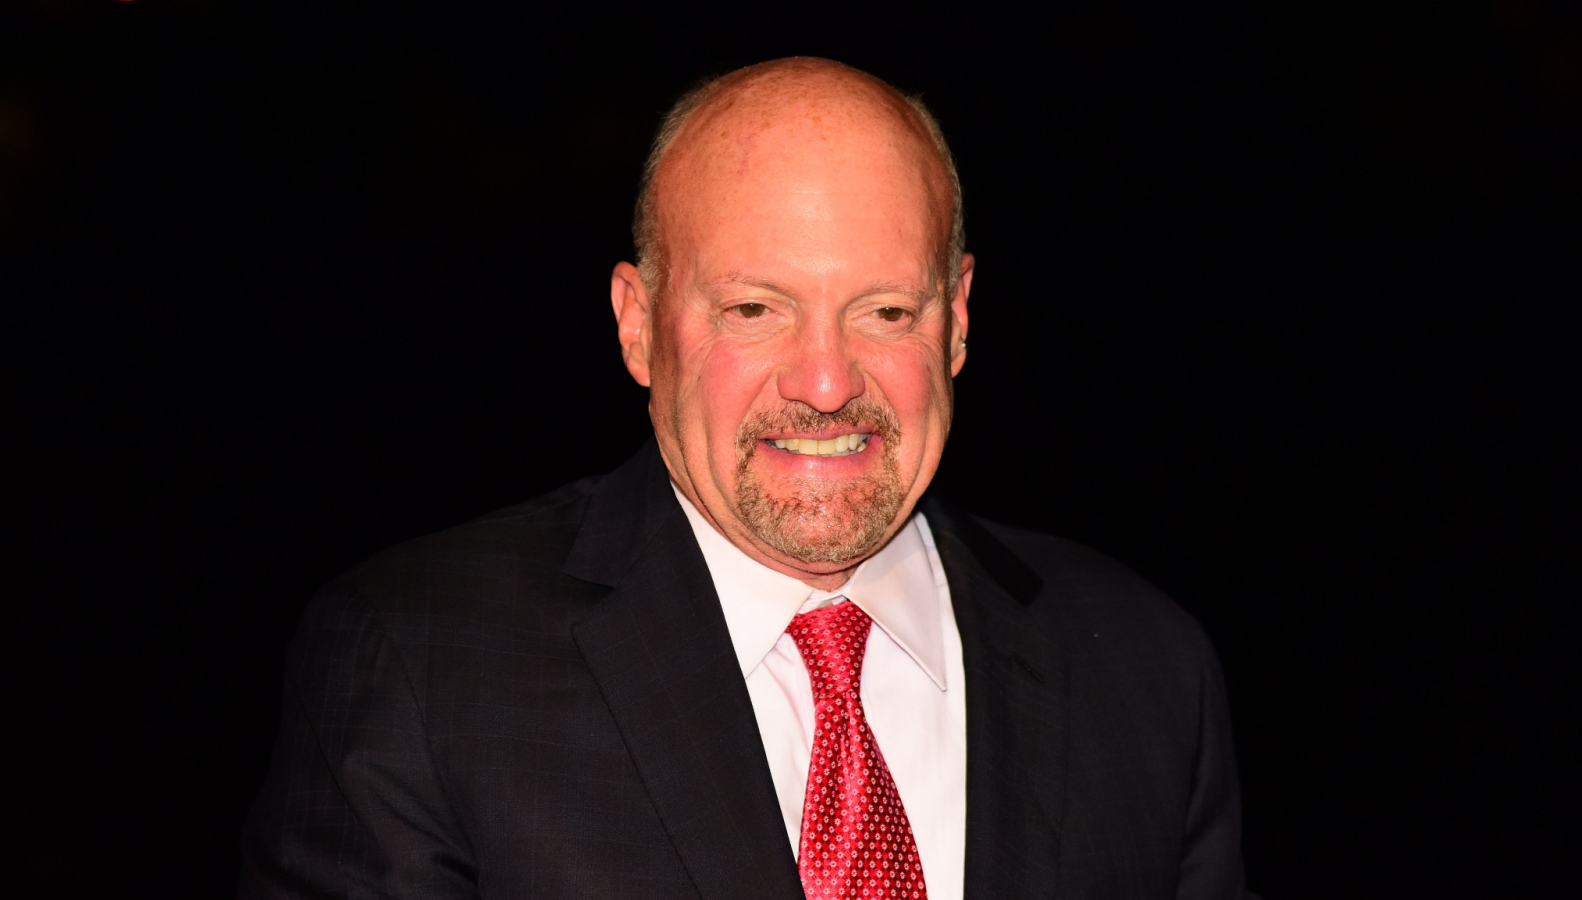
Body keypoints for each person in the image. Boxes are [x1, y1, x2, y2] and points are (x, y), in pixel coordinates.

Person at [239, 57, 1250, 900]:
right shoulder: (422, 663)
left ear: (957, 318)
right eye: (754, 310)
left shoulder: (1147, 670)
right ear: (638, 325)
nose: (826, 383)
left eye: (885, 312)